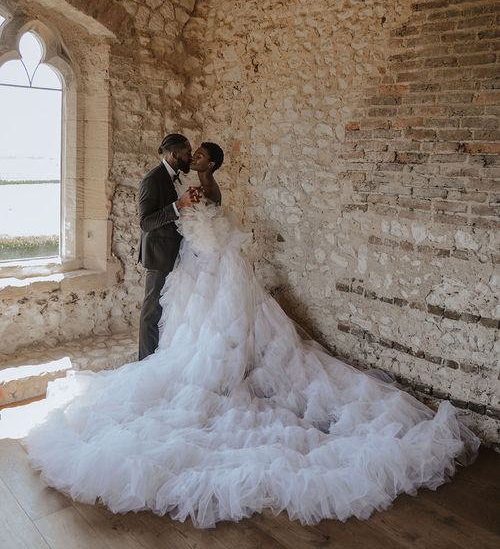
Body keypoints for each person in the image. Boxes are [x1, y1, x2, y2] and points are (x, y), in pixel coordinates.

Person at [24, 143, 479, 529]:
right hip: (195, 267)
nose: (193, 156)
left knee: (212, 329)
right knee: (182, 325)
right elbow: (175, 220)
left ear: (209, 164)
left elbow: (211, 223)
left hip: (210, 266)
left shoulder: (208, 186)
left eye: (199, 154)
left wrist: (194, 224)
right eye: (191, 152)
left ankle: (223, 369)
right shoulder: (179, 183)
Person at [137, 133, 201, 360]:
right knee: (151, 313)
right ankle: (144, 364)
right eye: (187, 153)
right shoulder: (152, 179)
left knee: (166, 310)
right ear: (174, 155)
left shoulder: (176, 177)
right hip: (158, 254)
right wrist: (179, 204)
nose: (191, 157)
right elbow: (145, 222)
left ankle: (159, 358)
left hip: (174, 253)